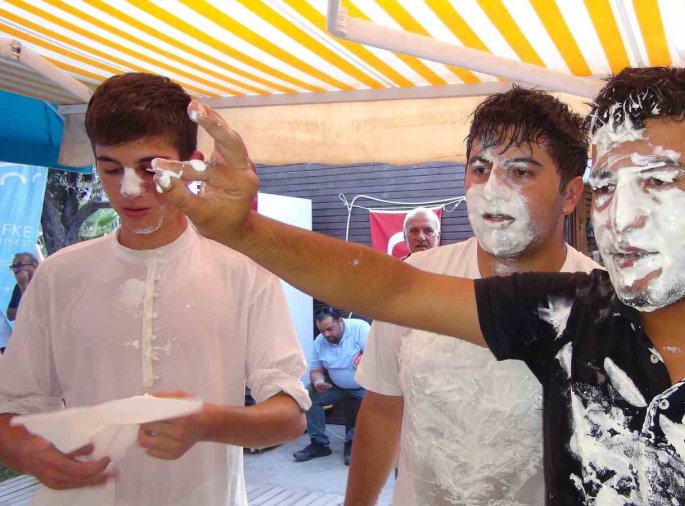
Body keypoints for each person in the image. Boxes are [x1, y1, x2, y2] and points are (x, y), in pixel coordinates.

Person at [153, 66, 685, 504]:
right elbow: (390, 289)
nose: (624, 216)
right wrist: (241, 230)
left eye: (659, 181)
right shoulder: (573, 319)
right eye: (608, 186)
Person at [0, 73, 310, 506]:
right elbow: (14, 407)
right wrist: (28, 452)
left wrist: (208, 422)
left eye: (150, 168)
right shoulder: (59, 275)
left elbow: (290, 415)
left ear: (192, 163)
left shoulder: (242, 270)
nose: (129, 188)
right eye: (110, 168)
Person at [350, 87, 600, 504]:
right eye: (480, 168)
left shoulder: (601, 302)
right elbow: (382, 408)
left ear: (570, 194)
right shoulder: (417, 278)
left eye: (520, 171)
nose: (491, 189)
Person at [293, 306, 369, 465]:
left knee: (378, 401)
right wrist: (318, 381)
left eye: (330, 329)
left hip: (365, 385)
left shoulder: (359, 328)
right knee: (308, 394)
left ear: (340, 321)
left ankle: (354, 442)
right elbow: (315, 370)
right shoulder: (319, 342)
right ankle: (319, 444)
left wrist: (366, 361)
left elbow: (376, 359)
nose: (326, 334)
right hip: (337, 385)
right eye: (322, 331)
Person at [6, 252, 39, 322]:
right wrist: (23, 286)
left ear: (34, 266)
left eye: (19, 265)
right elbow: (10, 315)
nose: (16, 270)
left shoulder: (47, 280)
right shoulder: (19, 286)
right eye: (13, 267)